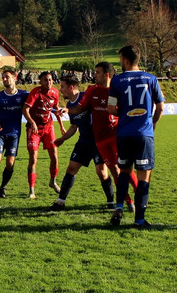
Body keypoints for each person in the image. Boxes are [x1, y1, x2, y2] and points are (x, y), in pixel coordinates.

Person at [108, 45, 165, 228]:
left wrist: (125, 114)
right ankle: (139, 219)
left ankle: (119, 206)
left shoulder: (117, 80)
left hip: (124, 134)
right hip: (143, 134)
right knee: (143, 176)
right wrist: (152, 123)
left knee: (124, 171)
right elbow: (161, 107)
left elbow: (110, 108)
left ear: (125, 60)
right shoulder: (151, 79)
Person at [69, 61, 136, 212]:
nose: (94, 75)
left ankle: (138, 193)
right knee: (114, 171)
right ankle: (128, 201)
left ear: (106, 75)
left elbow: (126, 111)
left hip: (116, 136)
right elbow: (80, 107)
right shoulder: (92, 90)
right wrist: (67, 111)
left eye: (97, 72)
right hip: (100, 140)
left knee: (124, 168)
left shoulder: (118, 90)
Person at [48, 75, 114, 211]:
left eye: (62, 86)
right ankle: (60, 202)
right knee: (71, 168)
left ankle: (111, 202)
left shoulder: (86, 97)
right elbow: (74, 126)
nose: (60, 89)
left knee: (102, 172)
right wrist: (63, 138)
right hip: (84, 141)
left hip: (97, 140)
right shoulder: (69, 105)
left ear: (71, 87)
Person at [0, 68, 28, 197]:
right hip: (0, 133)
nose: (5, 79)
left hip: (14, 134)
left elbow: (38, 103)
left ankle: (3, 187)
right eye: (3, 77)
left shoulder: (23, 95)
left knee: (10, 164)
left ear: (15, 77)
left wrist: (55, 110)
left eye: (7, 77)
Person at [22, 71, 61, 198]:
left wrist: (62, 126)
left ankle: (53, 181)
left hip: (48, 128)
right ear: (40, 81)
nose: (48, 82)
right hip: (34, 129)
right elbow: (25, 109)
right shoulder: (36, 92)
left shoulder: (55, 92)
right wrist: (32, 122)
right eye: (45, 80)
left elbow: (56, 109)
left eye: (50, 79)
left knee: (54, 156)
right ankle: (31, 190)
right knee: (33, 159)